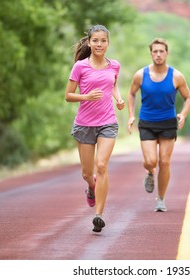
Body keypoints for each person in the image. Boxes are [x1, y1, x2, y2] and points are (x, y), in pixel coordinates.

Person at [65, 25, 125, 233]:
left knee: (102, 166)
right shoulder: (80, 67)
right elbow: (68, 95)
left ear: (108, 43)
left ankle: (98, 214)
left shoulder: (114, 65)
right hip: (84, 125)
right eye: (96, 41)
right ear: (89, 43)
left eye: (103, 41)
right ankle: (91, 188)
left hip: (108, 122)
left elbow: (114, 84)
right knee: (87, 174)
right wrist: (86, 97)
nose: (99, 44)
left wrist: (118, 98)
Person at [127, 38, 190, 212]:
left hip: (168, 123)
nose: (158, 54)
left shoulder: (176, 76)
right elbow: (131, 94)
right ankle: (150, 172)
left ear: (167, 53)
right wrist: (131, 115)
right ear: (151, 53)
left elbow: (188, 99)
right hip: (147, 122)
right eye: (155, 51)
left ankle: (160, 199)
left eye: (161, 51)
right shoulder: (141, 75)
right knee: (151, 161)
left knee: (164, 161)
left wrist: (183, 114)